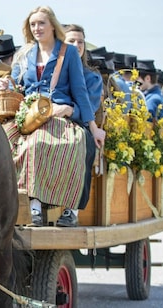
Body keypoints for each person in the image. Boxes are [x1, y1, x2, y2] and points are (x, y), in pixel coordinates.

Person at [0, 6, 106, 227]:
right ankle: (4, 204)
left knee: (43, 144)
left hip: (58, 113)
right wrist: (5, 83)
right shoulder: (25, 54)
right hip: (28, 114)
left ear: (52, 26)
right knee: (2, 139)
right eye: (33, 24)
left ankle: (45, 207)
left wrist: (93, 127)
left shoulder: (69, 52)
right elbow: (17, 85)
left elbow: (80, 91)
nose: (36, 28)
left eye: (41, 23)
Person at [63, 23, 104, 224]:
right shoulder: (54, 72)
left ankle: (72, 209)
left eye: (80, 41)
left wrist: (70, 110)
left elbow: (91, 105)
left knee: (80, 145)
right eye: (71, 41)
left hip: (80, 125)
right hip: (50, 121)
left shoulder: (93, 76)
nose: (77, 45)